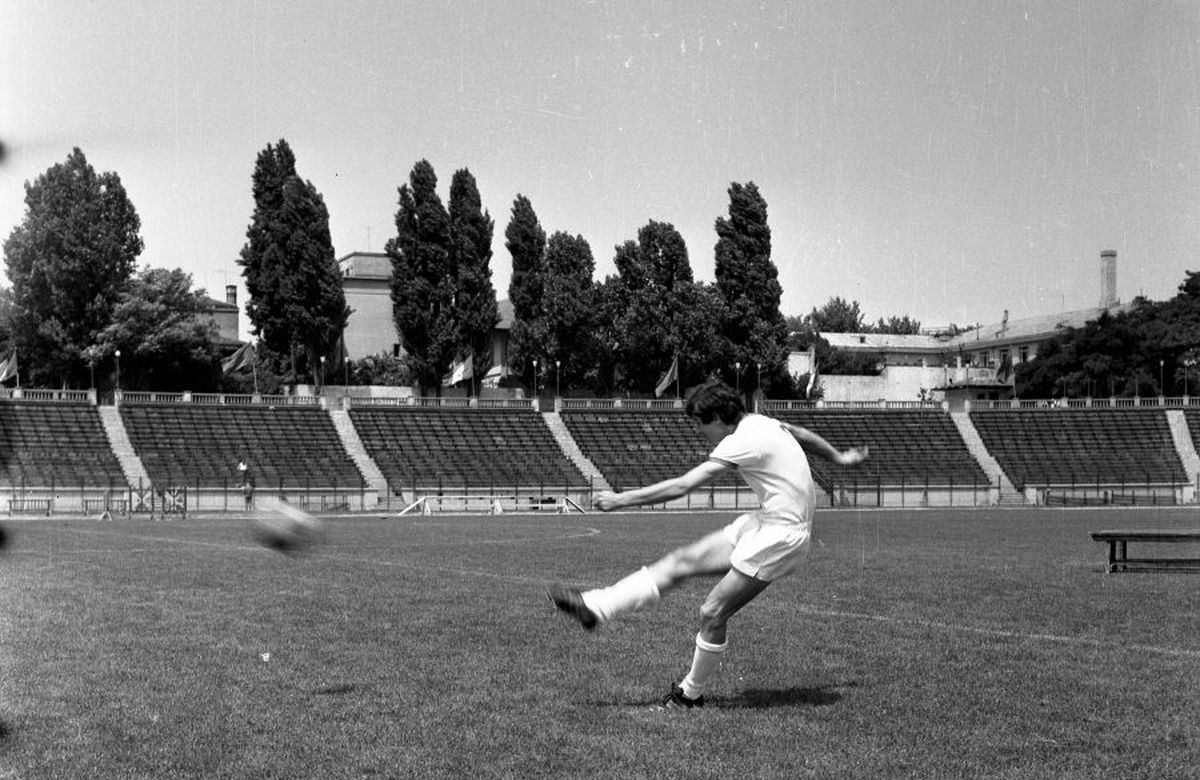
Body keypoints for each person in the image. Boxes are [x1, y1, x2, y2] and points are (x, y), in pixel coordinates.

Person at [548, 379, 868, 710]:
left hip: (781, 537)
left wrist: (620, 500)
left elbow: (684, 485)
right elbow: (799, 433)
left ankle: (690, 695)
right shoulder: (762, 422)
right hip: (766, 522)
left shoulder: (744, 439)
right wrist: (839, 458)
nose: (700, 432)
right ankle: (596, 607)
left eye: (701, 424)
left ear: (717, 417)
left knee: (713, 612)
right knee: (681, 562)